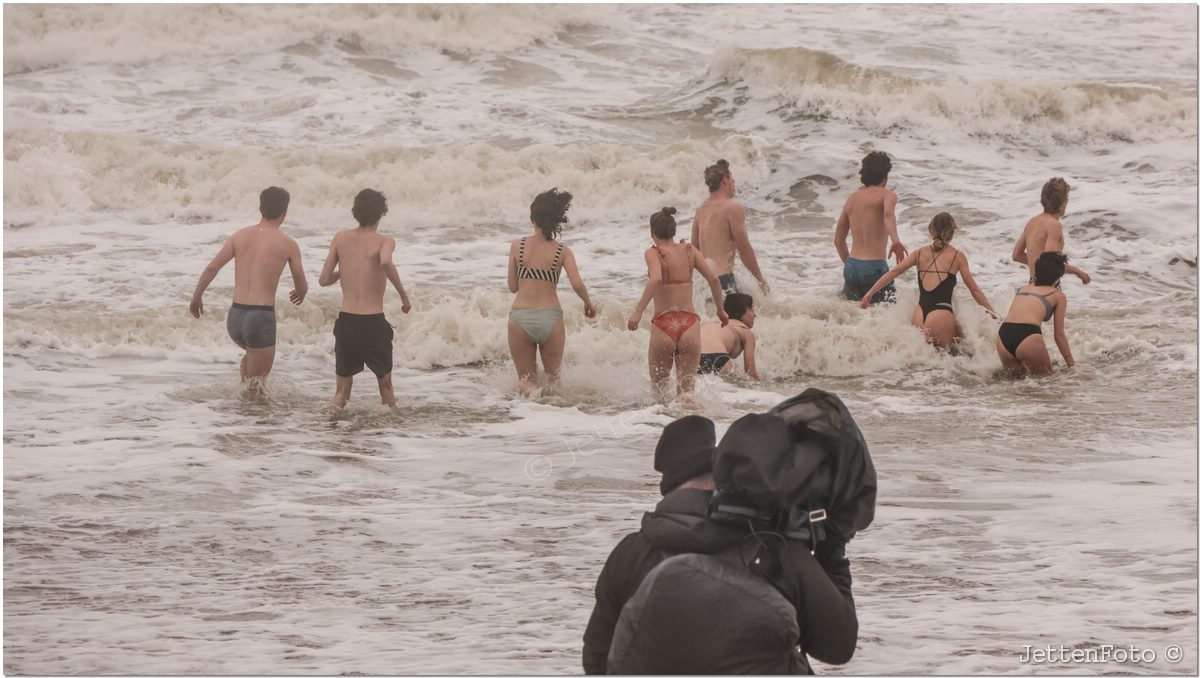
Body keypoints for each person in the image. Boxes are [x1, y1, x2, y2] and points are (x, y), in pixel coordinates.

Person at [582, 404, 863, 675]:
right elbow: (838, 647)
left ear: (670, 491)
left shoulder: (631, 553)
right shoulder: (781, 553)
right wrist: (832, 553)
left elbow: (596, 660)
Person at [189, 186, 307, 396]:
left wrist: (196, 297)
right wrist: (300, 293)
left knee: (250, 366)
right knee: (258, 389)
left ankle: (242, 422)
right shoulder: (288, 244)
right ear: (284, 213)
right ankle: (254, 424)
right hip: (260, 318)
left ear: (260, 208)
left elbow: (212, 267)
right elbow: (301, 283)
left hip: (235, 317)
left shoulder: (239, 236)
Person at [318, 188, 412, 408]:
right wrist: (404, 298)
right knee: (386, 388)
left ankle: (331, 429)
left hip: (347, 322)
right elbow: (386, 262)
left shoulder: (340, 239)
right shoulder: (384, 241)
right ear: (380, 214)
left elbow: (323, 280)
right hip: (372, 324)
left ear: (356, 212)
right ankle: (391, 434)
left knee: (341, 392)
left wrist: (346, 269)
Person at [628, 207, 727, 402]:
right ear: (674, 231)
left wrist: (638, 312)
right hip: (689, 324)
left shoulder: (653, 253)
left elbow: (656, 279)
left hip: (664, 324)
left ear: (652, 234)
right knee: (686, 394)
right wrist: (720, 310)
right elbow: (714, 279)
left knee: (660, 395)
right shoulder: (690, 251)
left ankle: (659, 428)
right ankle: (692, 424)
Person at [859, 212, 998, 350]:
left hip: (919, 315)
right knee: (957, 357)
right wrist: (993, 315)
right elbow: (974, 290)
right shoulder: (957, 256)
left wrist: (869, 293)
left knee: (923, 363)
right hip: (940, 315)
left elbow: (894, 272)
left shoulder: (919, 253)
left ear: (931, 230)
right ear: (951, 232)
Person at [506, 188, 596, 395]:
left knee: (526, 381)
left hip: (521, 318)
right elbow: (577, 284)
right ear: (555, 221)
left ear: (532, 218)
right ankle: (553, 419)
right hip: (551, 318)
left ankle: (529, 409)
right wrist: (587, 303)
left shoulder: (517, 246)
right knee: (554, 383)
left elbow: (512, 287)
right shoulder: (562, 251)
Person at [834, 151, 908, 303]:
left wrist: (851, 265)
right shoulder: (887, 195)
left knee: (852, 315)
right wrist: (896, 240)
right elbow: (888, 214)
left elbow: (838, 240)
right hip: (875, 267)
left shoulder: (852, 198)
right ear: (885, 176)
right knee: (885, 315)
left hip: (851, 267)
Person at [689, 159, 770, 297]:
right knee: (744, 317)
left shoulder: (700, 210)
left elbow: (694, 249)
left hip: (704, 285)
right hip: (724, 281)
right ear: (724, 180)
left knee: (712, 319)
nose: (734, 183)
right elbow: (744, 249)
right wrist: (760, 279)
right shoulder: (732, 207)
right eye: (732, 178)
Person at [996, 251, 1075, 376]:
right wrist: (1072, 365)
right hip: (1027, 335)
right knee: (1047, 382)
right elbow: (1059, 335)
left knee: (1013, 387)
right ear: (1058, 276)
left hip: (1003, 336)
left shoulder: (1023, 289)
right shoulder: (1058, 295)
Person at [1012, 177, 1090, 286]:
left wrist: (1034, 263)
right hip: (1047, 287)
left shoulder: (1032, 222)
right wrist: (1077, 271)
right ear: (1063, 203)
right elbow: (1050, 263)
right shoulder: (1054, 225)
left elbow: (1017, 255)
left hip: (1032, 284)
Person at [697, 292, 760, 380]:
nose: (755, 315)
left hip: (694, 357)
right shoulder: (746, 332)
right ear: (744, 310)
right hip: (718, 358)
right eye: (752, 310)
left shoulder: (712, 323)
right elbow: (751, 373)